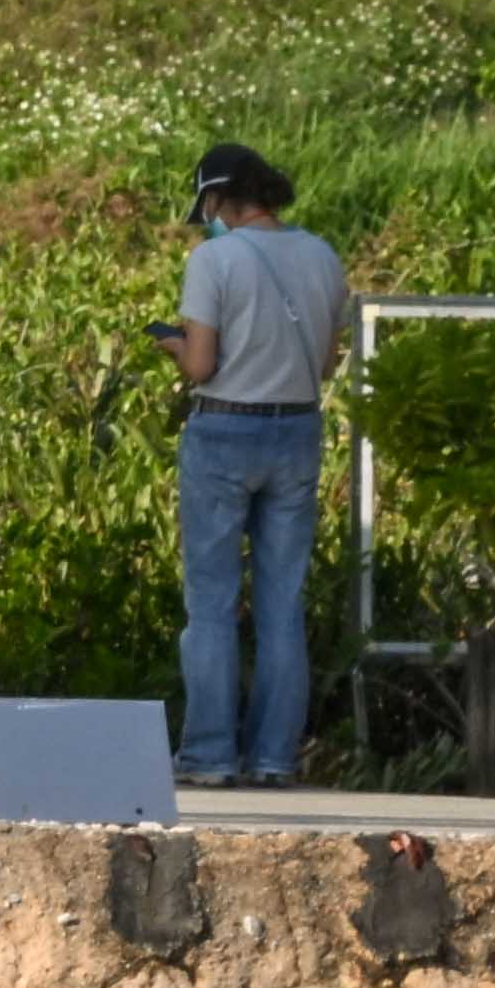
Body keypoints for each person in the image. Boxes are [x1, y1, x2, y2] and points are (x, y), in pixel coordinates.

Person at [166, 139, 347, 790]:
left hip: (225, 430)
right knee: (281, 605)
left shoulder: (213, 259)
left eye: (205, 203)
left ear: (218, 198)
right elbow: (325, 366)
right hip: (297, 429)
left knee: (212, 605)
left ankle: (210, 756)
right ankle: (273, 758)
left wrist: (171, 345)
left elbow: (202, 364)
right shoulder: (324, 256)